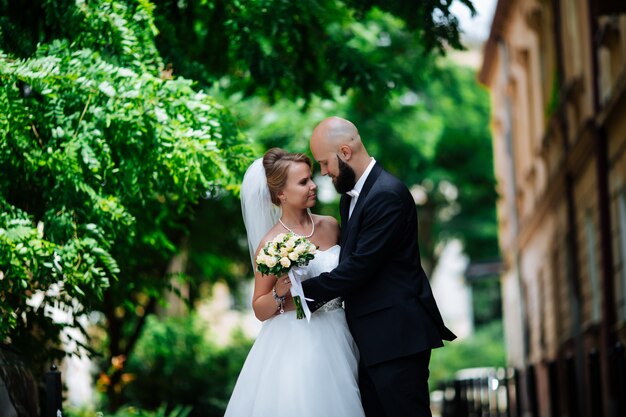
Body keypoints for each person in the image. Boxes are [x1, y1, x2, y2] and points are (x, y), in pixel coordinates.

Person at [301, 116, 457, 417]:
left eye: (324, 163)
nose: (323, 172)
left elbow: (360, 266)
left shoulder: (387, 194)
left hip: (396, 337)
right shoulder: (351, 198)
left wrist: (300, 292)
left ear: (345, 152)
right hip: (372, 339)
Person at [224, 148, 366, 417]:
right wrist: (279, 292)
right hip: (298, 340)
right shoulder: (271, 244)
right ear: (281, 194)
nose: (313, 185)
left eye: (310, 178)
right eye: (303, 182)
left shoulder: (331, 225)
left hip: (342, 330)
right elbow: (259, 308)